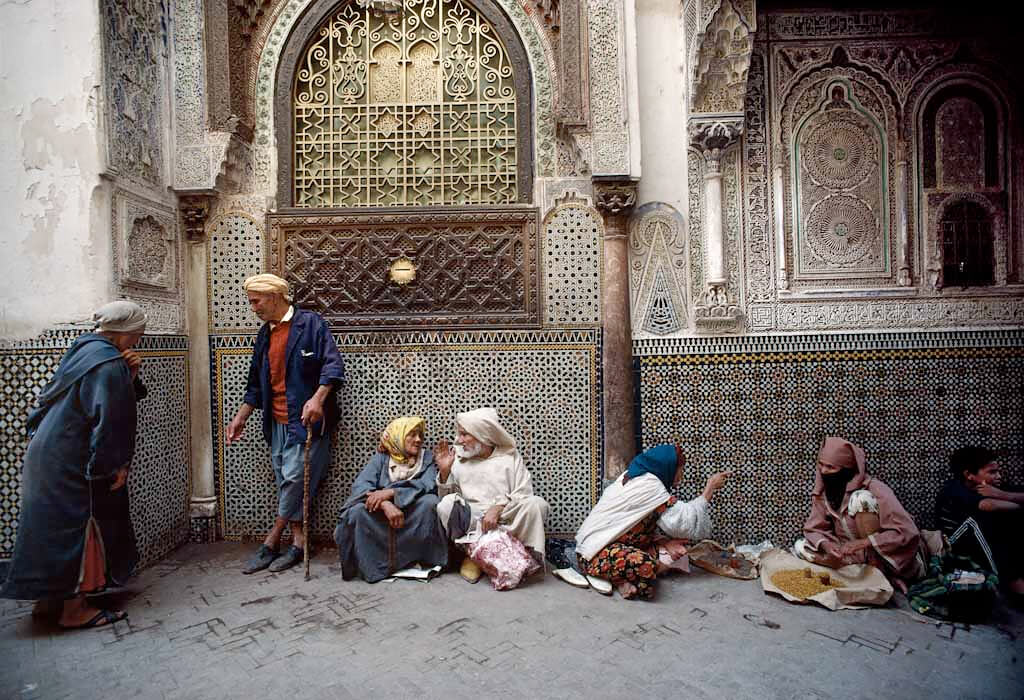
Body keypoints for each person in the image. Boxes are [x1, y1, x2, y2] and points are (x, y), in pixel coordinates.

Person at [1, 301, 148, 629]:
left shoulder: (84, 348)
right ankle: (74, 610)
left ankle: (47, 601)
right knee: (79, 527)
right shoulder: (109, 362)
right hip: (70, 455)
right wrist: (116, 466)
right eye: (138, 334)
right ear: (125, 333)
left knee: (49, 527)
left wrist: (131, 375)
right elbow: (110, 421)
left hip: (46, 450)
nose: (138, 340)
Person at [226, 273, 344, 574]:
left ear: (275, 297)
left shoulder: (310, 324)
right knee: (287, 482)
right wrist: (241, 416)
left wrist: (318, 398)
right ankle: (299, 543)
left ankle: (271, 541)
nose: (252, 307)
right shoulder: (264, 334)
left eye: (256, 301)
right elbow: (255, 384)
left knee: (294, 480)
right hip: (275, 421)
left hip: (306, 422)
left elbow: (333, 366)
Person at [574, 445, 732, 600]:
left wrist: (667, 544)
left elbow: (641, 526)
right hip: (593, 555)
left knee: (677, 552)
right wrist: (710, 488)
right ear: (669, 467)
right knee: (645, 564)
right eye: (680, 470)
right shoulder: (649, 486)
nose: (681, 476)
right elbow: (685, 523)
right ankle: (621, 580)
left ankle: (622, 579)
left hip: (616, 543)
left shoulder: (640, 477)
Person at [434, 407, 549, 584]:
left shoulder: (509, 457)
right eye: (460, 434)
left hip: (506, 516)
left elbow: (523, 492)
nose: (459, 440)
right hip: (473, 522)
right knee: (447, 505)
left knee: (537, 504)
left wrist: (498, 507)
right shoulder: (458, 458)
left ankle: (515, 556)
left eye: (465, 435)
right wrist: (444, 471)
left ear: (482, 435)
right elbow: (447, 497)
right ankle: (474, 556)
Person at [795, 436, 923, 590]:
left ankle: (882, 573)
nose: (823, 471)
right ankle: (855, 566)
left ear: (846, 469)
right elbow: (814, 528)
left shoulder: (875, 488)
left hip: (882, 553)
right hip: (851, 551)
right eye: (821, 465)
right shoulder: (825, 491)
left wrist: (864, 543)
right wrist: (828, 546)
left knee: (860, 498)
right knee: (800, 546)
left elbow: (907, 532)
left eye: (830, 467)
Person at [334, 416, 447, 582]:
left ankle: (421, 559)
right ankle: (374, 565)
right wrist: (385, 504)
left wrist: (392, 493)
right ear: (398, 437)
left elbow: (428, 484)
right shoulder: (381, 459)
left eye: (420, 435)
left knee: (430, 502)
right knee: (357, 512)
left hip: (412, 515)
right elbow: (361, 486)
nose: (418, 440)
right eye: (412, 435)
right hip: (381, 518)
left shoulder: (426, 458)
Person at [936, 446, 1023, 597]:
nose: (998, 476)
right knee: (981, 522)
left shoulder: (994, 488)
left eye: (998, 471)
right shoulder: (954, 490)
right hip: (955, 544)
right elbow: (989, 505)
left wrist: (1003, 494)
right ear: (969, 475)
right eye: (992, 472)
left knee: (1009, 520)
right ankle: (1010, 582)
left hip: (980, 538)